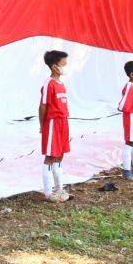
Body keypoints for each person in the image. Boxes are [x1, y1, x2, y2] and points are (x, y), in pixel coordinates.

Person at [39, 50, 72, 203]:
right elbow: (43, 106)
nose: (65, 67)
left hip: (63, 121)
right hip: (52, 122)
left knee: (60, 154)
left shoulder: (61, 84)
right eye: (63, 64)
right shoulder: (48, 83)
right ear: (54, 67)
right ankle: (47, 192)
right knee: (50, 156)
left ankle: (59, 187)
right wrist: (43, 125)